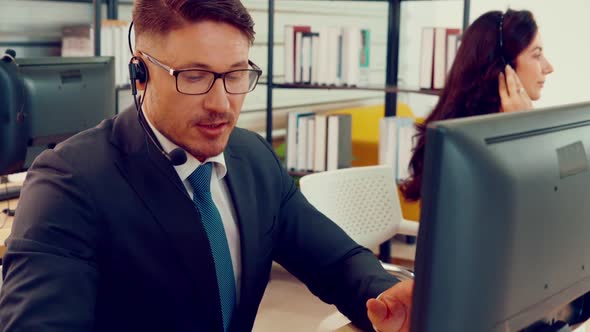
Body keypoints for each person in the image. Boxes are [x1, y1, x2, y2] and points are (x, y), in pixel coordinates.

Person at [0, 1, 412, 331]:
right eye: (194, 76)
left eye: (236, 75)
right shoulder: (69, 183)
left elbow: (335, 261)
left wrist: (388, 296)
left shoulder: (254, 158)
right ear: (140, 72)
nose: (221, 104)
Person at [401, 9, 554, 202]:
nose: (548, 67)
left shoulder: (499, 131)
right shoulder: (464, 144)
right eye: (536, 55)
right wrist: (524, 128)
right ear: (503, 65)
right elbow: (532, 201)